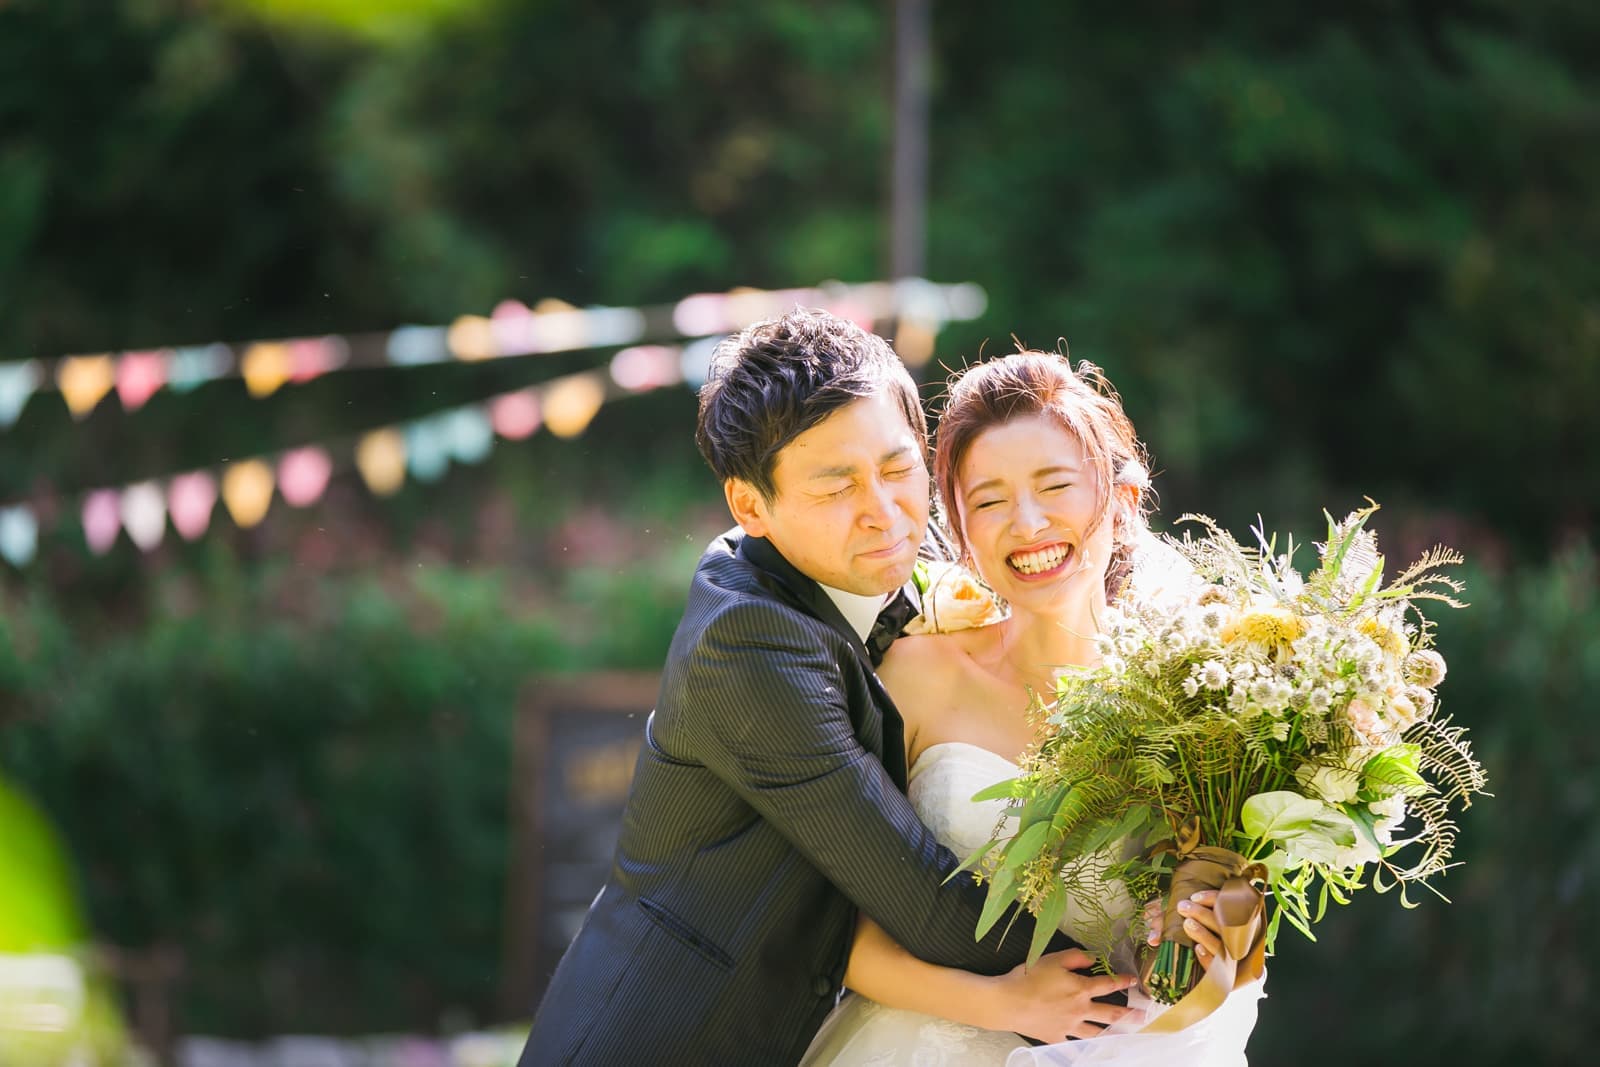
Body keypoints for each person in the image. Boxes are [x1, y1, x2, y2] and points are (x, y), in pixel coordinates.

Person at [517, 311, 1130, 1067]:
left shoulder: (887, 565)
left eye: (898, 470)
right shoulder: (748, 645)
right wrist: (1135, 989)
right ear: (752, 507)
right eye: (838, 486)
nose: (885, 512)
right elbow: (918, 892)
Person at [799, 350, 1263, 1066]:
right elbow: (829, 927)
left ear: (1121, 498)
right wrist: (1005, 1003)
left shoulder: (1197, 702)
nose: (1028, 523)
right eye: (989, 501)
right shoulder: (914, 676)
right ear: (960, 529)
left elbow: (1218, 937)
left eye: (1055, 486)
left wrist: (1222, 926)